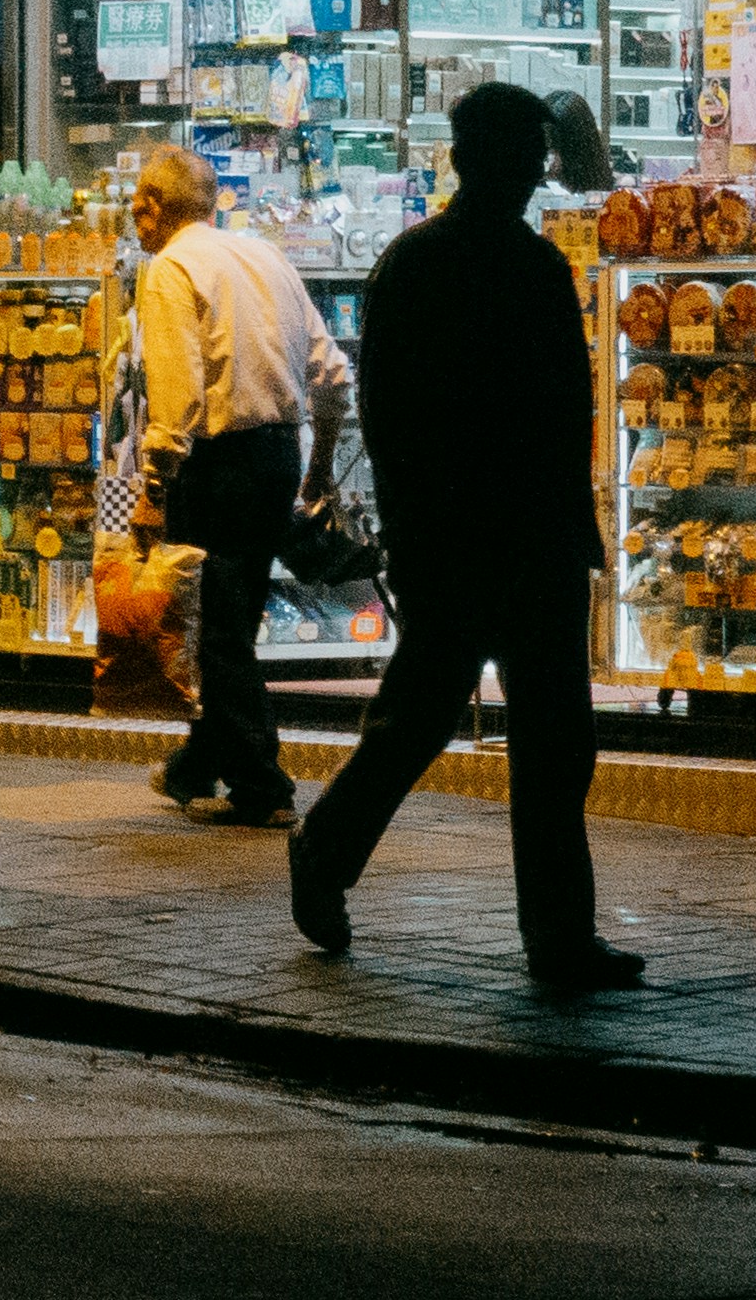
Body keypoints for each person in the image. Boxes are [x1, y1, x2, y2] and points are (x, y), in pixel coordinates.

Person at [291, 83, 628, 991]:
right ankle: (327, 848)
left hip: (509, 538)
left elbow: (559, 415)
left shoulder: (482, 262)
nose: (534, 171)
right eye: (524, 154)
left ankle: (559, 935)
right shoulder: (445, 264)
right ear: (482, 159)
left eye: (535, 155)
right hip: (474, 537)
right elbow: (400, 416)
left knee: (540, 736)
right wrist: (418, 529)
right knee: (435, 721)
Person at [129, 145, 351, 826]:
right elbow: (333, 375)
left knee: (217, 632)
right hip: (278, 453)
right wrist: (319, 466)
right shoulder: (266, 256)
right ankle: (197, 764)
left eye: (138, 203)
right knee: (229, 617)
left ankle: (263, 786)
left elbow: (177, 396)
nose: (134, 215)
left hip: (215, 465)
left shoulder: (171, 268)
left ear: (155, 207)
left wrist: (154, 488)